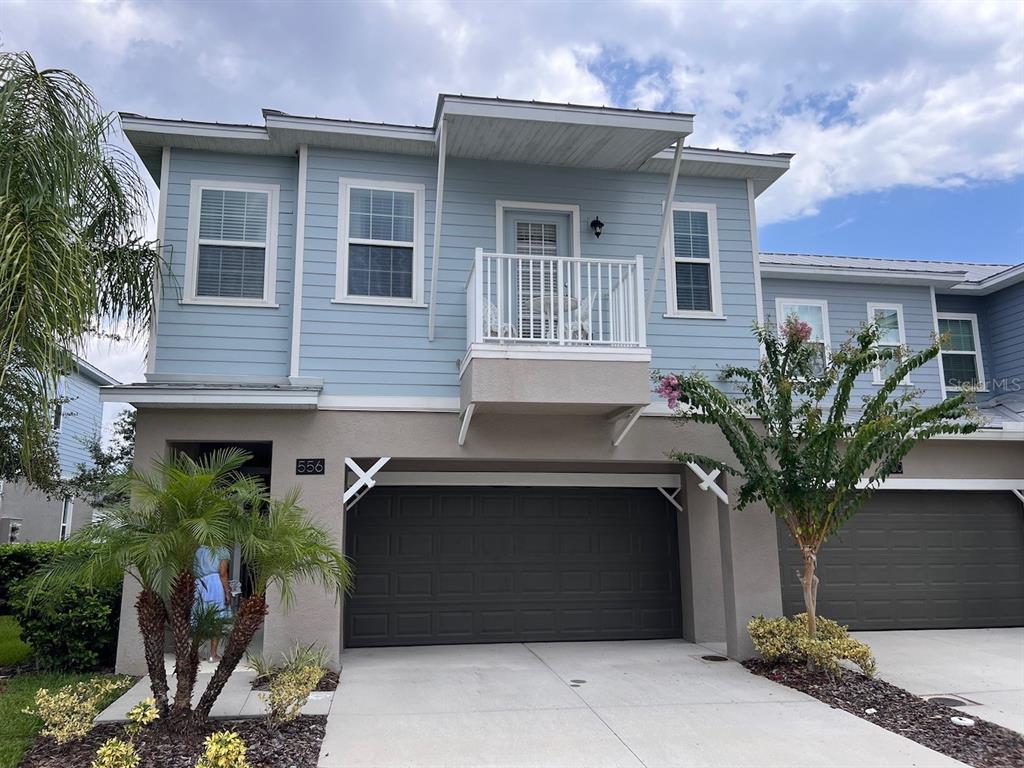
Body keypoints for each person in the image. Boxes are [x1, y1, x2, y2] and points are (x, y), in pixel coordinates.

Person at [193, 545, 232, 661]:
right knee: (217, 620)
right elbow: (223, 573)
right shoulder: (222, 550)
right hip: (215, 584)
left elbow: (194, 570)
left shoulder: (199, 550)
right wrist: (227, 592)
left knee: (199, 618)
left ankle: (195, 653)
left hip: (199, 584)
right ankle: (213, 654)